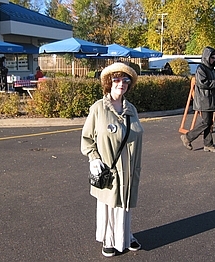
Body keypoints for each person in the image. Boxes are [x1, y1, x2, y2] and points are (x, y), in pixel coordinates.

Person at [80, 62, 144, 257]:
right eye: (117, 79)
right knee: (109, 203)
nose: (121, 83)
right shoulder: (99, 108)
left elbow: (136, 134)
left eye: (125, 80)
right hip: (109, 167)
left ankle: (125, 235)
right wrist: (93, 159)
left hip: (129, 166)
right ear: (109, 82)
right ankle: (109, 238)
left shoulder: (131, 109)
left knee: (124, 203)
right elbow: (87, 137)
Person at [180, 46, 215, 152]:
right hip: (204, 99)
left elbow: (213, 82)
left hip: (210, 99)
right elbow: (202, 83)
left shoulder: (212, 70)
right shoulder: (201, 68)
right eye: (212, 57)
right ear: (207, 57)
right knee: (206, 122)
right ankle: (188, 137)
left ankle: (208, 144)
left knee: (209, 122)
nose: (213, 59)